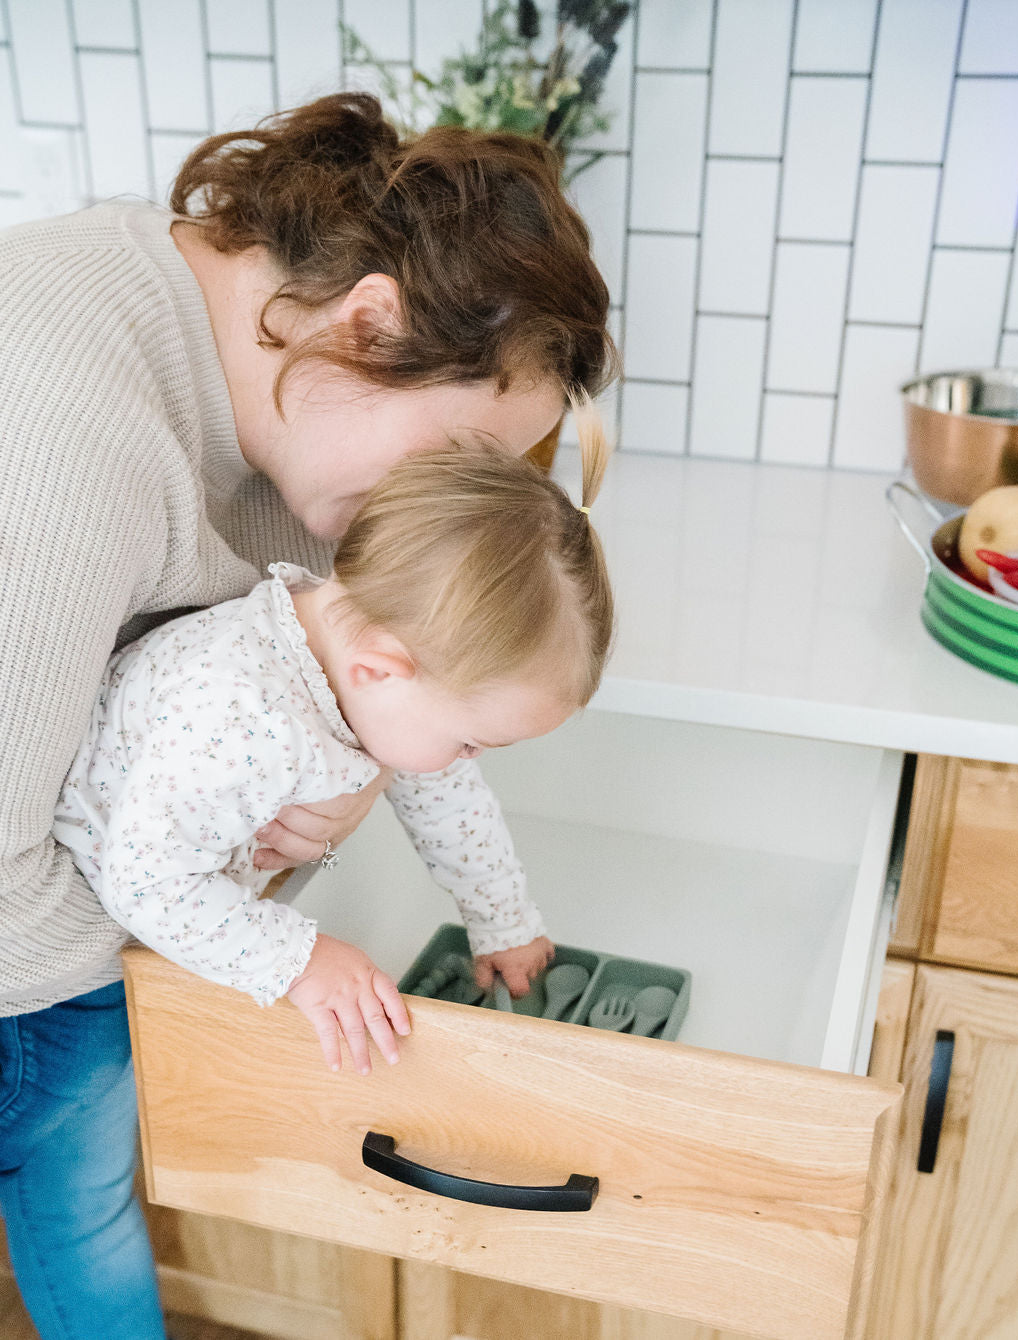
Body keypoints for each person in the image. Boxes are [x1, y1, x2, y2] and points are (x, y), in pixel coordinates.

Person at [0, 91, 613, 1340]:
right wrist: (227, 920)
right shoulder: (60, 436)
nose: (449, 505)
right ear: (371, 322)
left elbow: (363, 653)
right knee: (69, 1198)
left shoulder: (289, 391)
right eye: (461, 454)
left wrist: (357, 785)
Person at [54, 405, 612, 1082]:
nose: (472, 760)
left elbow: (448, 800)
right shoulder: (242, 715)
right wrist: (302, 958)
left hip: (179, 926)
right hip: (82, 967)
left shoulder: (372, 657)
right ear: (379, 668)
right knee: (82, 1173)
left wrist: (504, 922)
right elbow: (147, 883)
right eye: (470, 741)